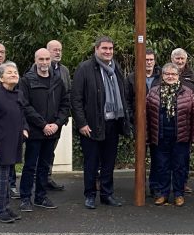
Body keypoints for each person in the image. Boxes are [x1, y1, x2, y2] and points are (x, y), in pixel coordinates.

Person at [71, 36, 132, 210]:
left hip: (113, 122)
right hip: (91, 124)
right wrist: (81, 123)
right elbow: (76, 99)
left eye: (110, 48)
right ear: (96, 49)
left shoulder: (116, 67)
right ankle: (90, 195)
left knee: (108, 162)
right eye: (104, 48)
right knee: (91, 162)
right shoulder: (84, 68)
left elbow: (123, 93)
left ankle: (107, 194)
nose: (108, 51)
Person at [18, 48, 70, 212]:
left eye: (47, 59)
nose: (44, 62)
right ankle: (25, 198)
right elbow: (25, 106)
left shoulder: (57, 81)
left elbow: (65, 104)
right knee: (30, 166)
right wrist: (43, 125)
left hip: (52, 131)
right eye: (41, 59)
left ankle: (41, 197)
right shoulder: (26, 81)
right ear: (35, 60)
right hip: (35, 132)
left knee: (45, 166)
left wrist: (57, 124)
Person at [146, 63, 194, 207]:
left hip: (181, 137)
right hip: (160, 136)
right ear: (162, 76)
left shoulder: (187, 93)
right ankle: (163, 194)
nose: (170, 76)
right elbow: (147, 116)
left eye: (173, 74)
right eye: (167, 74)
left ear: (178, 76)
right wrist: (147, 136)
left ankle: (178, 194)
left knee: (179, 166)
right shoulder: (153, 92)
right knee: (162, 166)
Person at [0, 62, 28, 223]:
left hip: (14, 142)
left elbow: (22, 115)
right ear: (1, 78)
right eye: (9, 72)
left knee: (8, 178)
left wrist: (25, 129)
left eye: (15, 72)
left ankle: (6, 207)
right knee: (1, 179)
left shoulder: (18, 94)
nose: (14, 74)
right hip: (0, 144)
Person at [127, 48, 161, 196]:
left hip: (157, 123)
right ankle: (140, 187)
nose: (148, 62)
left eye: (151, 60)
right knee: (140, 156)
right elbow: (127, 100)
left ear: (154, 61)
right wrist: (132, 118)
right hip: (139, 123)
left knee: (157, 156)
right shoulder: (131, 78)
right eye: (146, 60)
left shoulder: (161, 77)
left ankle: (155, 187)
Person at [170, 48, 194, 194]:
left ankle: (182, 183)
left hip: (185, 124)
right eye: (177, 58)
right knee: (167, 156)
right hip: (168, 122)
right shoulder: (165, 74)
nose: (180, 61)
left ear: (186, 60)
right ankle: (168, 184)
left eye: (182, 58)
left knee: (183, 157)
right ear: (172, 59)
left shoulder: (192, 77)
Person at [45, 39, 71, 191]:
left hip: (58, 120)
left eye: (60, 49)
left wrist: (63, 116)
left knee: (51, 150)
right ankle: (37, 180)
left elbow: (68, 92)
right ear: (47, 51)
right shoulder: (39, 68)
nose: (58, 52)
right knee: (39, 152)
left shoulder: (64, 71)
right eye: (54, 49)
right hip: (42, 121)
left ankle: (47, 178)